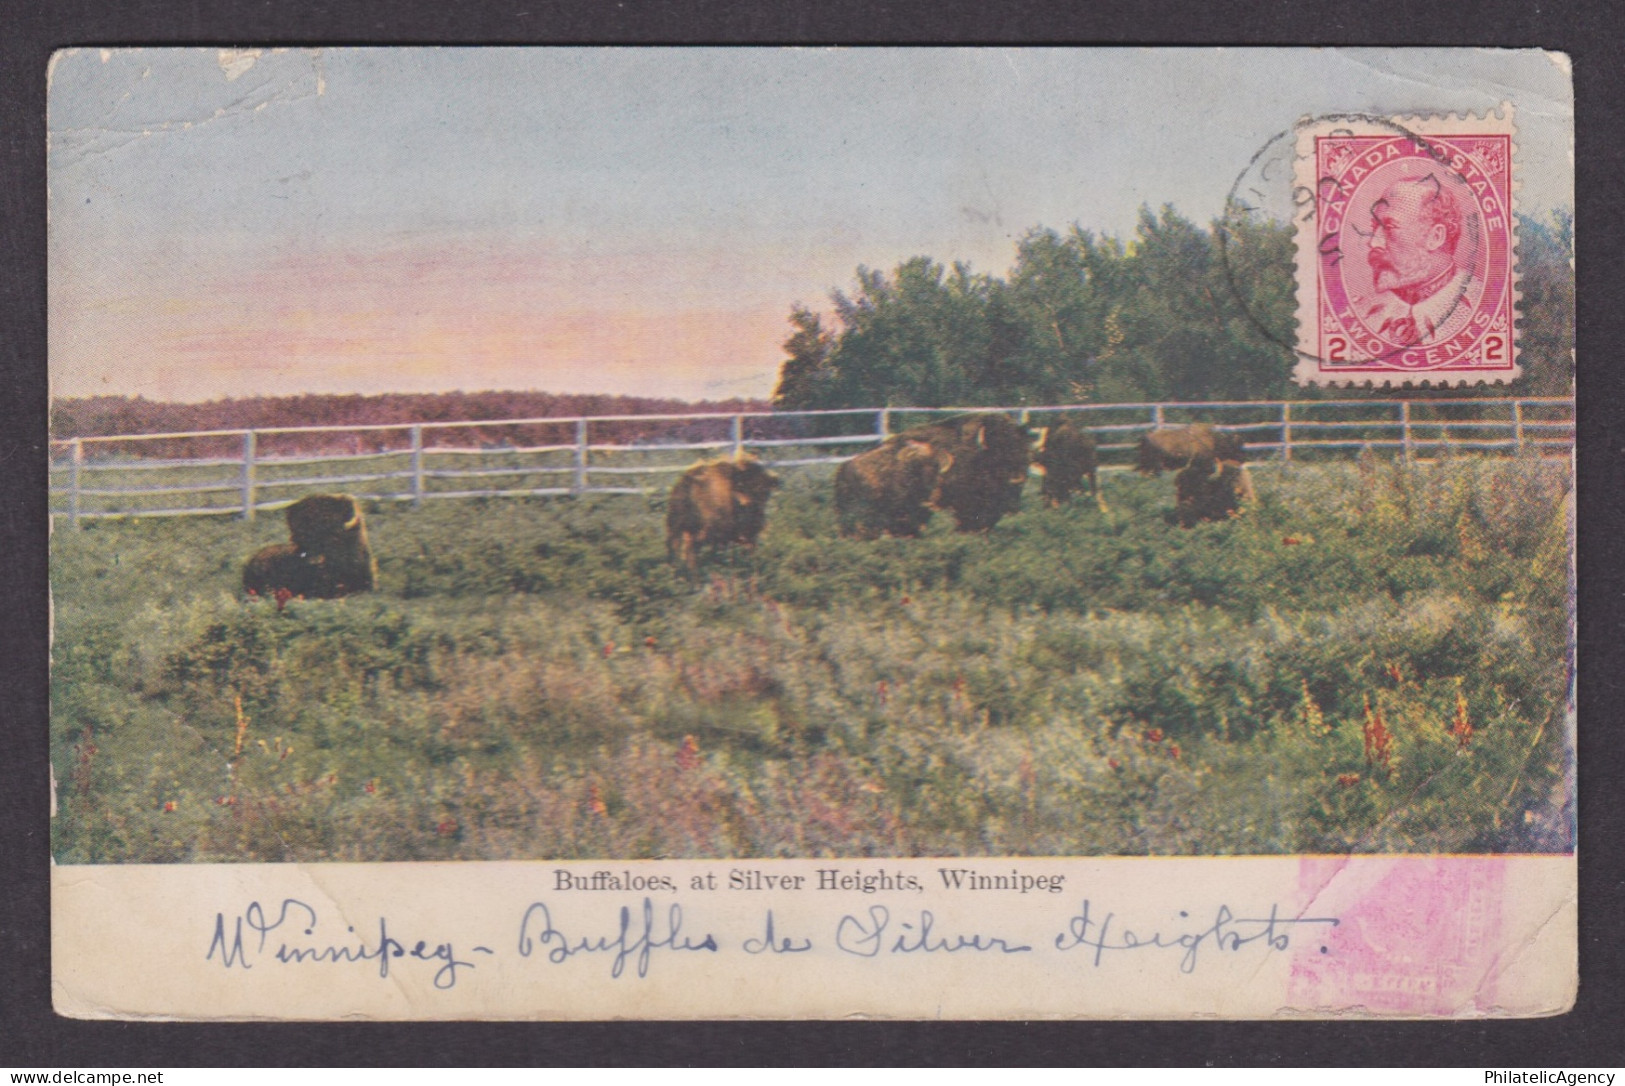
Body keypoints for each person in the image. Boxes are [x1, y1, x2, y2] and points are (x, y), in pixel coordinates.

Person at [1359, 173, 1475, 347]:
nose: (1374, 242)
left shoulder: (1477, 303)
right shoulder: (1361, 310)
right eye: (1375, 227)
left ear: (1435, 237)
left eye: (1389, 227)